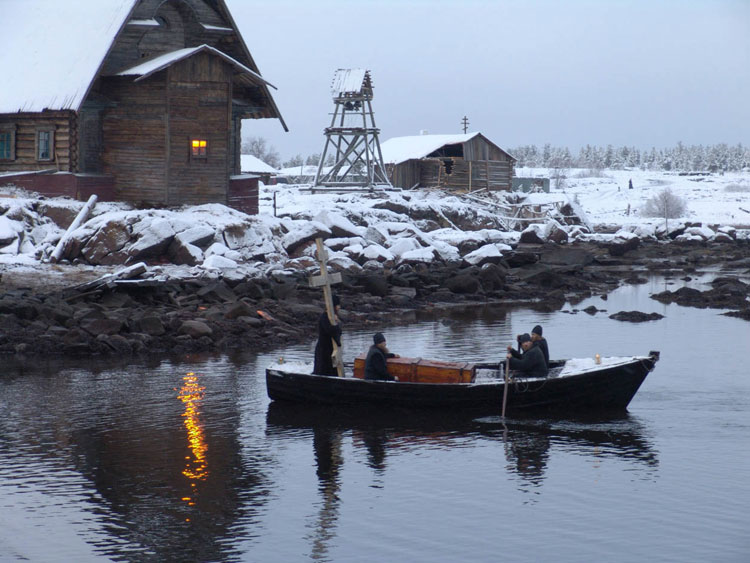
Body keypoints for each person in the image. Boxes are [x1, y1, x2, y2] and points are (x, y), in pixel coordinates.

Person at [313, 294, 342, 376]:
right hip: (324, 350)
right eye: (338, 305)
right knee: (323, 372)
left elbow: (338, 332)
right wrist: (336, 325)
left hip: (330, 349)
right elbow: (331, 331)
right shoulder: (325, 317)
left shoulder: (333, 317)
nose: (339, 307)